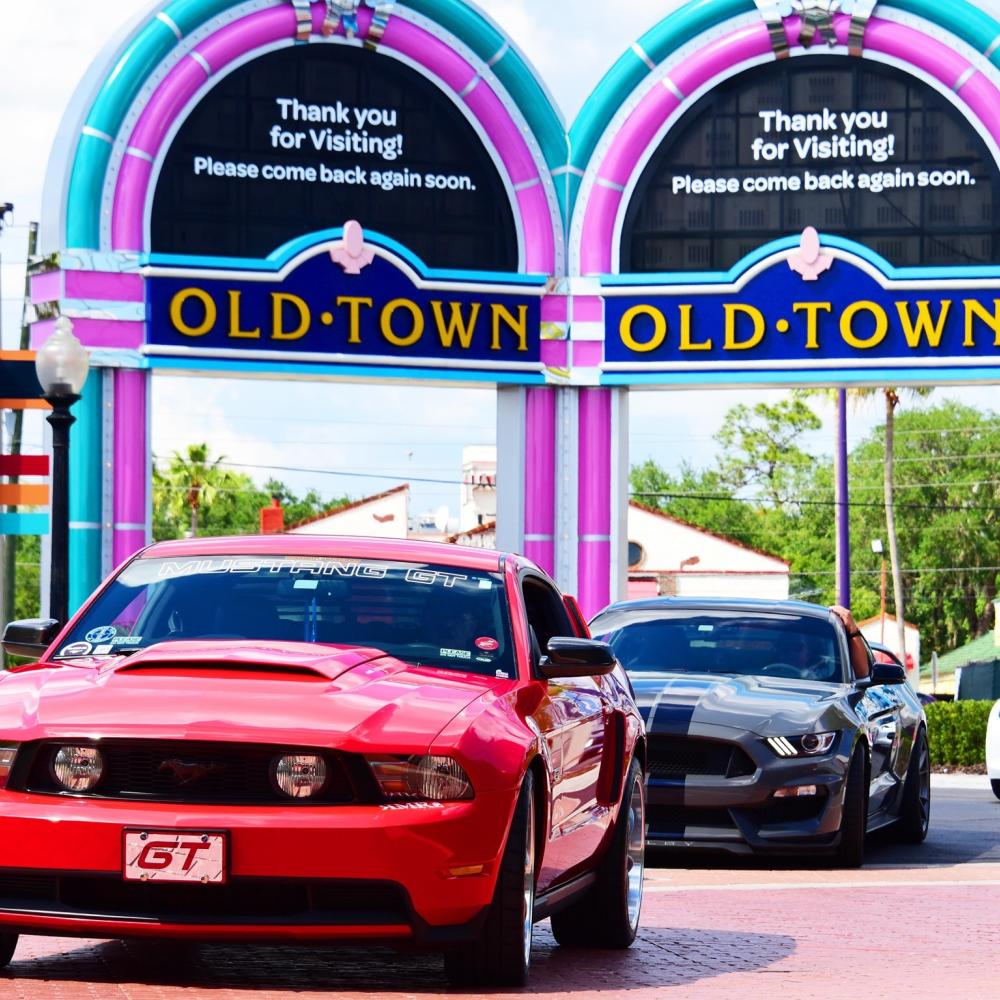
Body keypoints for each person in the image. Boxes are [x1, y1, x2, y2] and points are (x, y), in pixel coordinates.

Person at [829, 604, 870, 679]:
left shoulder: (827, 668)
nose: (802, 650)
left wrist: (852, 629)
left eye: (803, 646)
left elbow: (863, 674)